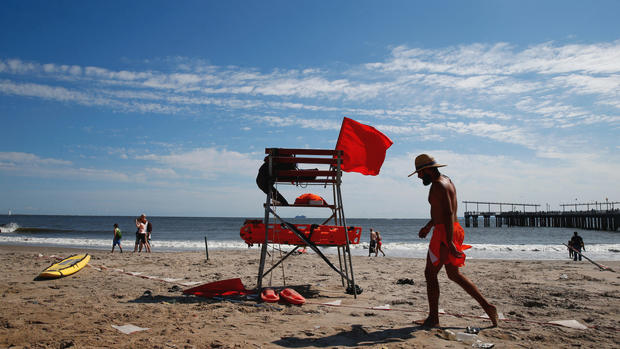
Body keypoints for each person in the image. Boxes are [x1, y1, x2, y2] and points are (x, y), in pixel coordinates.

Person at [409, 154, 497, 328]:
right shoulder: (447, 180)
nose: (419, 176)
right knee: (453, 274)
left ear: (428, 169)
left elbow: (448, 213)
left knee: (430, 273)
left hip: (445, 233)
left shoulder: (438, 186)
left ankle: (433, 319)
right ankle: (488, 307)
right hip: (453, 229)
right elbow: (442, 212)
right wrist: (428, 226)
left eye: (420, 172)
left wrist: (448, 242)